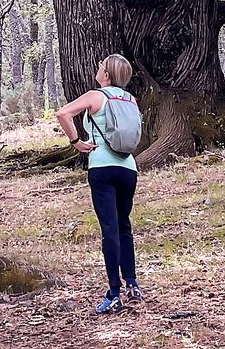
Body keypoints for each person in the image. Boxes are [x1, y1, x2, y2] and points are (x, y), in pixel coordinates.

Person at [56, 53, 142, 314]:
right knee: (124, 226)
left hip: (102, 166)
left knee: (110, 229)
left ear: (107, 75)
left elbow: (63, 113)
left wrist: (76, 142)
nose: (98, 68)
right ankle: (132, 284)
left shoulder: (96, 96)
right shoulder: (130, 99)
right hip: (128, 167)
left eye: (101, 66)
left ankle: (113, 293)